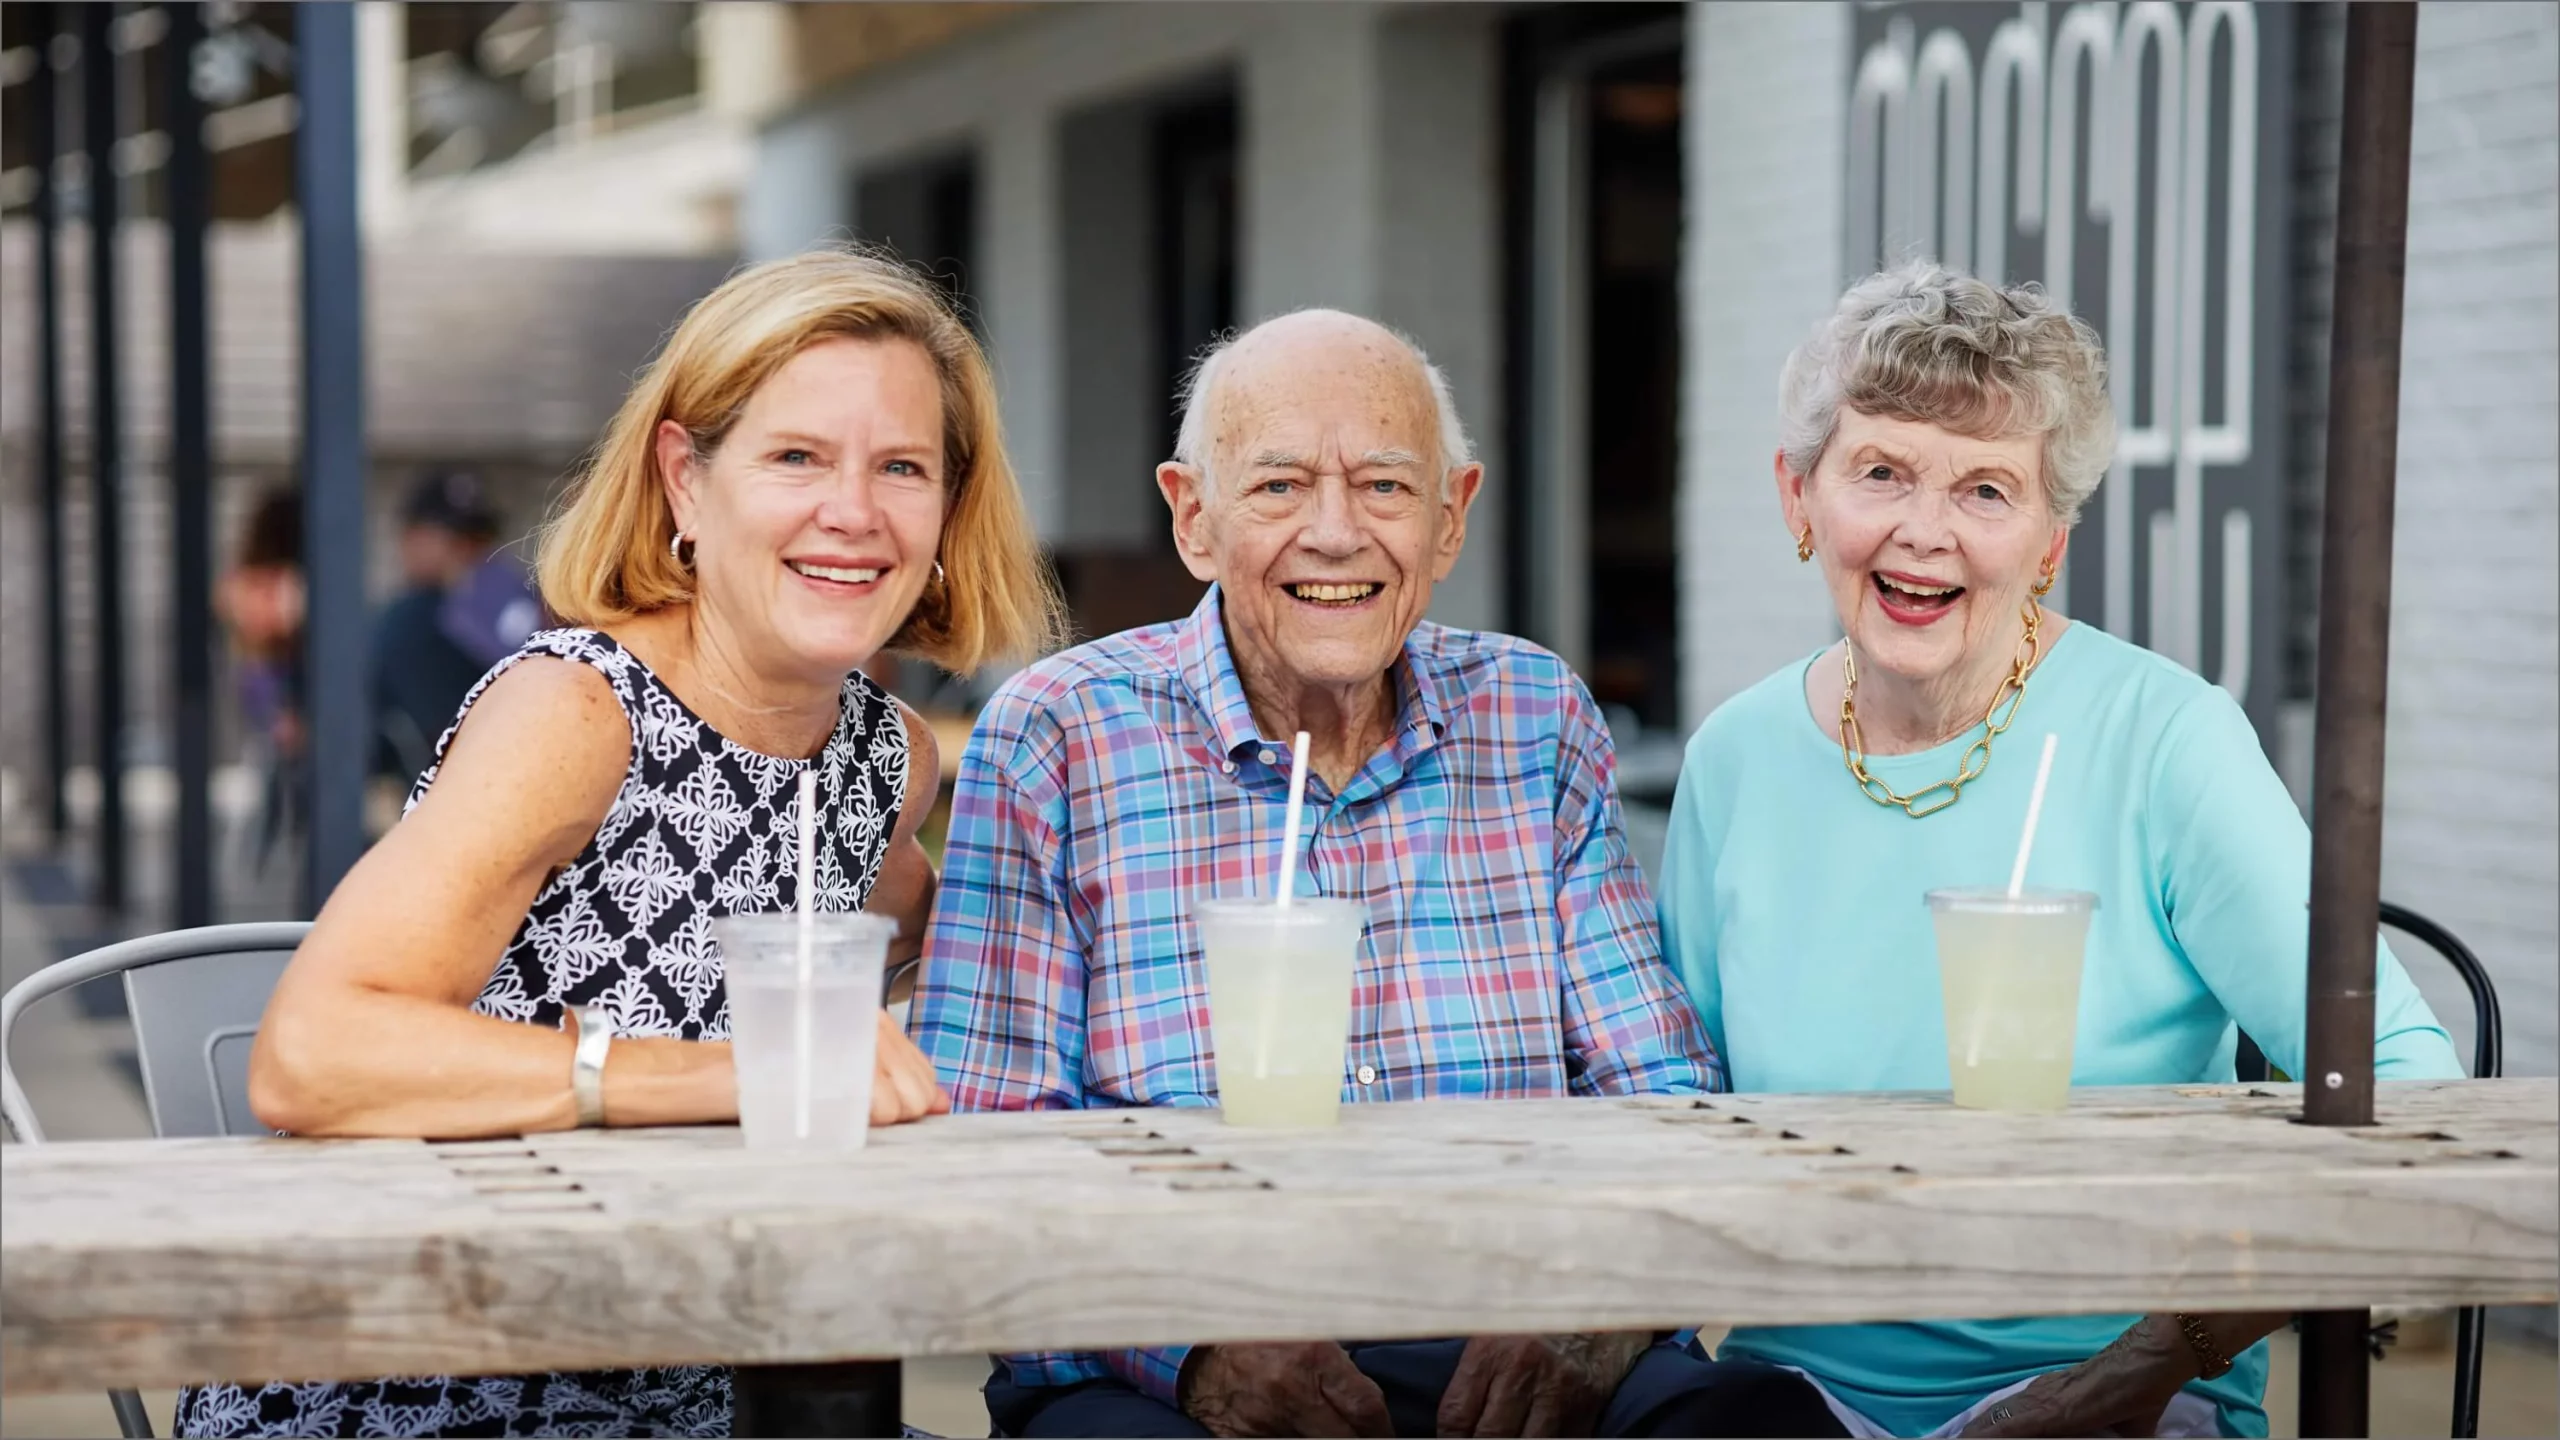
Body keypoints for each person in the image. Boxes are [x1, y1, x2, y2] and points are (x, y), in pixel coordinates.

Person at [174, 244, 1066, 1438]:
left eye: (902, 467)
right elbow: (308, 1055)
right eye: (796, 456)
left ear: (950, 509)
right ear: (686, 482)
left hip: (700, 1372)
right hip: (413, 1374)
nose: (852, 512)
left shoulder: (883, 759)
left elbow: (932, 940)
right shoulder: (579, 713)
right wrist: (729, 1076)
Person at [911, 310, 1841, 1439]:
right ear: (1193, 519)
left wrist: (1590, 1310)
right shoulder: (1059, 733)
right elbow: (987, 1143)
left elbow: (1661, 1091)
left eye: (1386, 489)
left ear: (1450, 519)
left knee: (1744, 1420)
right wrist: (1193, 1350)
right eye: (1279, 487)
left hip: (1512, 1318)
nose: (1336, 533)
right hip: (1161, 1349)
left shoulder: (1531, 714)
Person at [1658, 261, 2462, 1439]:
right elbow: (1674, 1111)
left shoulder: (2163, 739)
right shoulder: (1735, 758)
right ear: (1798, 498)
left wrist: (2140, 1367)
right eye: (1879, 472)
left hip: (2122, 1398)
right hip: (1798, 1402)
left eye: (1986, 490)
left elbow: (2403, 1078)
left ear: (2049, 540)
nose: (1922, 533)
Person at [369, 469, 529, 784]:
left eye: (479, 540)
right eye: (454, 541)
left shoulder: (507, 603)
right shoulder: (408, 621)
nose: (471, 554)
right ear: (410, 539)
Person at [215, 488, 307, 869]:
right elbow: (282, 627)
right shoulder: (284, 583)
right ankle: (269, 856)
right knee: (282, 779)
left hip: (259, 685)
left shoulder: (239, 580)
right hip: (282, 686)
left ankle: (260, 859)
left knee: (273, 779)